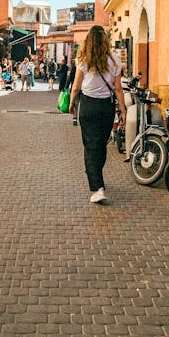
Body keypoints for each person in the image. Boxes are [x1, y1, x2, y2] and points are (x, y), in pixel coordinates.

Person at [69, 25, 121, 204]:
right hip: (107, 107)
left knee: (91, 146)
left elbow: (76, 85)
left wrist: (71, 103)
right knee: (100, 145)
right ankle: (97, 180)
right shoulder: (115, 60)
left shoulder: (83, 59)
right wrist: (122, 109)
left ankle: (97, 186)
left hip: (88, 106)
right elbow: (119, 89)